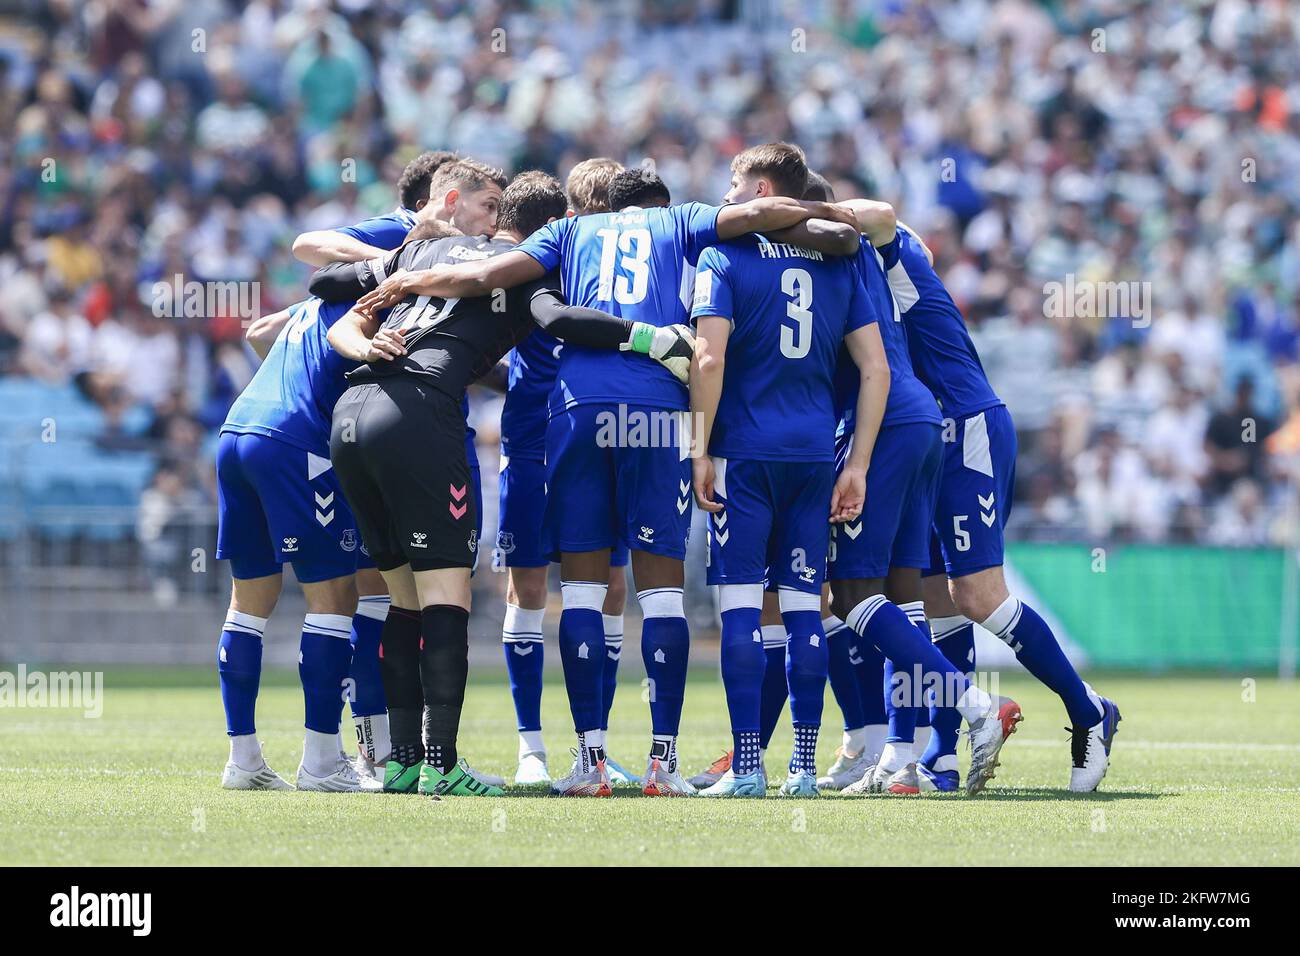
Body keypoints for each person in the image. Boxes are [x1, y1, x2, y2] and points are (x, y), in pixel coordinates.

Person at [352, 166, 857, 796]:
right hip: (658, 413)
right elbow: (756, 216)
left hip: (580, 410)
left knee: (582, 591)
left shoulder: (571, 231)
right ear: (657, 204)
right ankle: (662, 763)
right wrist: (836, 215)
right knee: (660, 594)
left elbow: (485, 276)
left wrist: (410, 275)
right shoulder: (683, 220)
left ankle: (586, 761)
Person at [315, 172, 695, 797]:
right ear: (550, 228)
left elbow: (327, 288)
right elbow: (562, 319)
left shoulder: (424, 251)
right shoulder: (529, 269)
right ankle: (446, 766)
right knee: (449, 596)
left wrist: (374, 328)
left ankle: (406, 761)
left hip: (355, 412)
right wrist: (651, 338)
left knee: (402, 597)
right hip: (438, 418)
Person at [213, 152, 460, 792]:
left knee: (250, 604)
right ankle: (323, 762)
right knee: (336, 601)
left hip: (240, 428)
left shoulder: (312, 306)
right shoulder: (384, 293)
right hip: (297, 442)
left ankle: (243, 761)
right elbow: (309, 244)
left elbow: (260, 330)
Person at [687, 143, 887, 797]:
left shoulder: (724, 254)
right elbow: (874, 368)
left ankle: (747, 768)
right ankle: (802, 768)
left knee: (742, 610)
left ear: (763, 186)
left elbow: (708, 361)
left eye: (734, 183)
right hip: (810, 456)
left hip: (746, 453)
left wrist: (699, 448)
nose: (725, 197)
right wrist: (855, 462)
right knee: (805, 611)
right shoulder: (840, 261)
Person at [494, 158, 636, 787]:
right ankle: (531, 749)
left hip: (598, 439)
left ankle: (593, 748)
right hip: (531, 443)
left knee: (609, 588)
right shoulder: (534, 262)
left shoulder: (633, 267)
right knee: (528, 590)